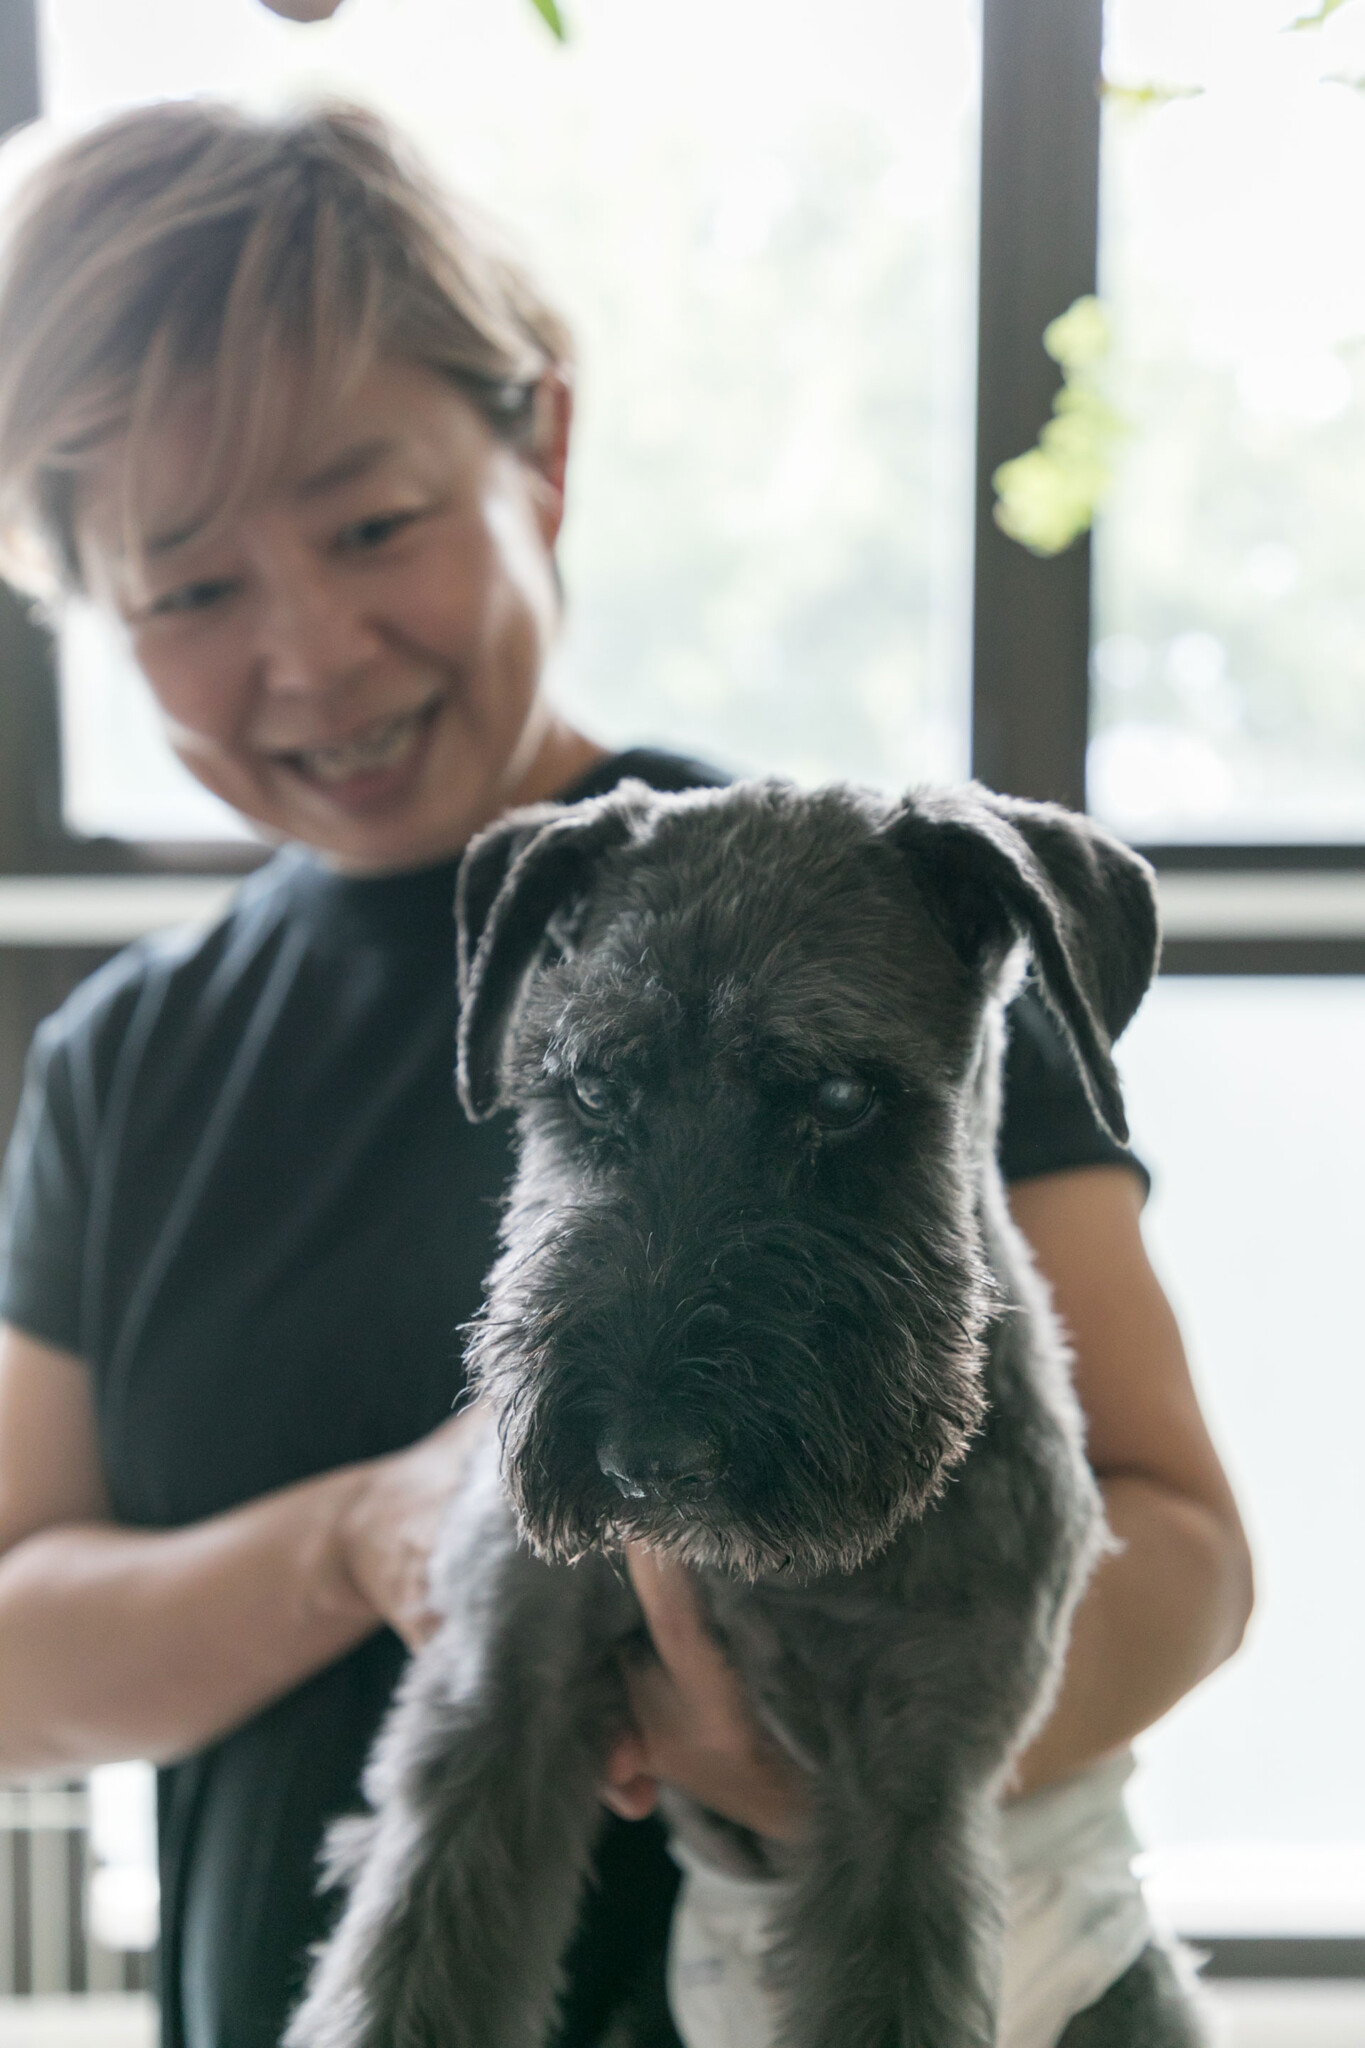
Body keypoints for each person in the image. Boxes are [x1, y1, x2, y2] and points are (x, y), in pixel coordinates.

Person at [0, 102, 1253, 2048]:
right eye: (187, 588)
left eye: (368, 523)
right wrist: (359, 1536)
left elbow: (1179, 1543)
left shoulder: (861, 927)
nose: (311, 653)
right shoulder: (119, 1061)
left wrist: (831, 1766)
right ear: (86, 610)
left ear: (542, 447)